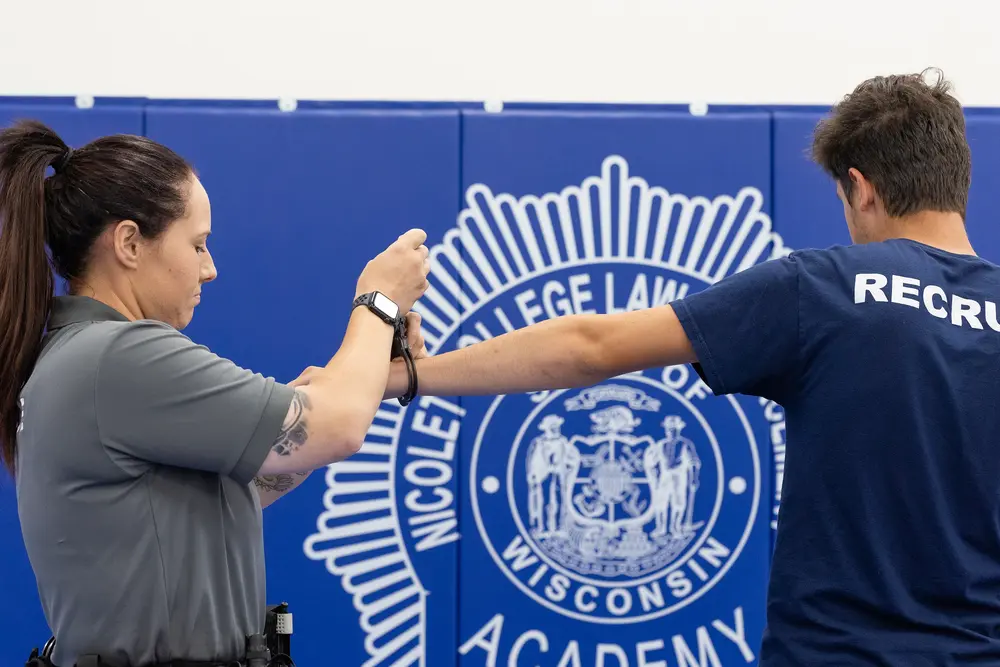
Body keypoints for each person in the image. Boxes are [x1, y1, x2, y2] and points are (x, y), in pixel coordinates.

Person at [378, 69, 1000, 664]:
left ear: (861, 187)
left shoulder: (824, 288)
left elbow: (592, 345)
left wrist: (414, 373)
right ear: (957, 181)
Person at [0, 120, 430, 666]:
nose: (210, 268)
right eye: (198, 244)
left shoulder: (85, 358)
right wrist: (379, 302)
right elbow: (335, 425)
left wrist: (364, 369)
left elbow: (240, 484)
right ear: (130, 242)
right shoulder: (118, 357)